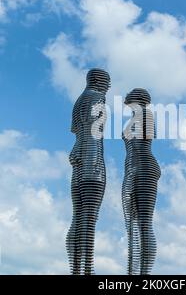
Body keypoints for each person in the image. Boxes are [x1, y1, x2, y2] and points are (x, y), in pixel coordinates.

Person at [66, 68, 110, 275]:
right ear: (100, 81)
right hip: (91, 167)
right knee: (89, 220)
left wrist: (80, 163)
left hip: (77, 161)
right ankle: (86, 271)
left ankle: (75, 270)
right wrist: (92, 166)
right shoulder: (98, 98)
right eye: (107, 82)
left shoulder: (79, 101)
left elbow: (77, 132)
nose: (109, 87)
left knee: (77, 217)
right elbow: (94, 135)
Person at [122, 88, 160, 275]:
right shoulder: (137, 116)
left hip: (143, 168)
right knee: (135, 225)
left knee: (144, 224)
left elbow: (139, 145)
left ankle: (143, 275)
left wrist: (132, 172)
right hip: (137, 168)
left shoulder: (145, 114)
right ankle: (134, 272)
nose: (126, 95)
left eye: (130, 93)